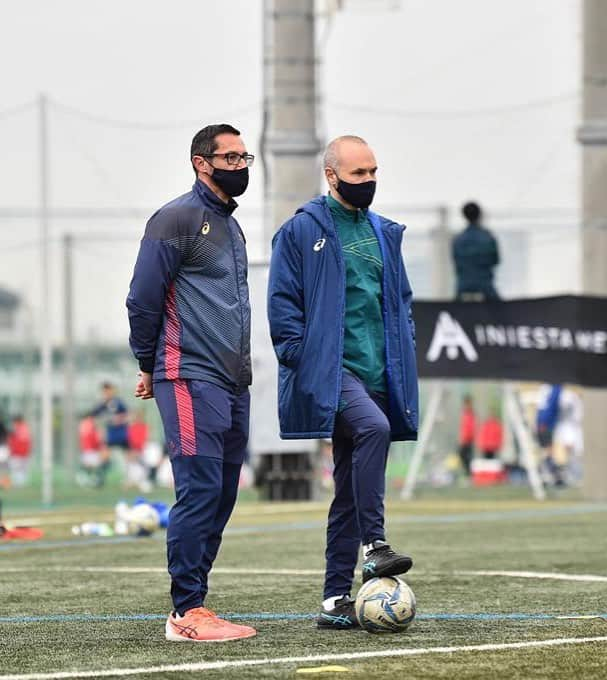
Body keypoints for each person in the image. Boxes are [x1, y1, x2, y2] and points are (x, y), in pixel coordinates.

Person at [268, 135, 419, 631]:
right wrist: (301, 357)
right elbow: (283, 303)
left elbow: (401, 303)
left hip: (380, 372)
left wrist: (404, 346)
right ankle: (375, 547)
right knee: (374, 429)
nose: (369, 181)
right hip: (333, 373)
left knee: (348, 495)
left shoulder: (384, 233)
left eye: (374, 172)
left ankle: (334, 600)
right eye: (359, 174)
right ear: (332, 176)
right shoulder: (301, 230)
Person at [126, 123, 256, 643]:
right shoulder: (176, 218)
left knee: (222, 493)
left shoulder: (230, 225)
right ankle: (185, 613)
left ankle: (197, 601)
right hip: (186, 374)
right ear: (202, 162)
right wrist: (146, 361)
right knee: (199, 488)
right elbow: (143, 296)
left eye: (245, 156)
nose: (241, 166)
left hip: (231, 381)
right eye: (230, 157)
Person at [451, 201, 500, 301]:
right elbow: (496, 260)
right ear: (480, 215)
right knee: (502, 313)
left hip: (463, 287)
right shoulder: (488, 237)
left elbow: (456, 263)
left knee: (453, 312)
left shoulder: (458, 239)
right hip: (486, 287)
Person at [90, 382, 130, 486]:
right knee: (104, 456)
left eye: (109, 390)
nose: (107, 393)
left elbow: (127, 415)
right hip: (110, 434)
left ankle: (128, 479)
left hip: (121, 433)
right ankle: (99, 479)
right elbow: (94, 416)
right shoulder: (102, 404)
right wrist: (99, 426)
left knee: (126, 457)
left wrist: (118, 419)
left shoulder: (118, 402)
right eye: (105, 391)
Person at [535, 384, 564, 486]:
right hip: (546, 424)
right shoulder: (554, 388)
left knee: (547, 451)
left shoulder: (550, 388)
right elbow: (550, 405)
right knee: (547, 451)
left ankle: (549, 475)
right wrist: (543, 421)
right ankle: (549, 475)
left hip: (546, 423)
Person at [7, 415, 32, 488]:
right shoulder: (23, 428)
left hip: (19, 453)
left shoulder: (21, 429)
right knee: (21, 470)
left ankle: (19, 484)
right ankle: (19, 484)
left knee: (18, 469)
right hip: (22, 453)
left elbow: (21, 442)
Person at [458, 395, 476, 477]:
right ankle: (467, 473)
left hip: (468, 440)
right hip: (464, 439)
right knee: (462, 455)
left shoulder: (471, 414)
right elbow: (463, 427)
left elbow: (471, 427)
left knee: (467, 457)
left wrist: (468, 437)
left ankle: (469, 474)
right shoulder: (464, 413)